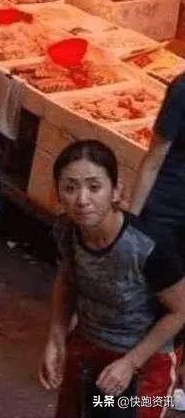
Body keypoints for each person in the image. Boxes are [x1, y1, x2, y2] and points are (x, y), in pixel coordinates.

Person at [39, 140, 185, 418]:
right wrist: (55, 339)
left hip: (144, 365)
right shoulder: (66, 231)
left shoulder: (147, 247)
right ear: (58, 194)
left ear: (116, 191)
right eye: (70, 188)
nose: (82, 200)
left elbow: (181, 311)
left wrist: (131, 363)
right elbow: (67, 280)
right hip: (86, 351)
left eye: (94, 187)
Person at [131, 74, 185, 406]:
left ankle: (167, 378)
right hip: (165, 212)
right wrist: (132, 224)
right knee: (149, 296)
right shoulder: (182, 89)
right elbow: (152, 161)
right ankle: (130, 374)